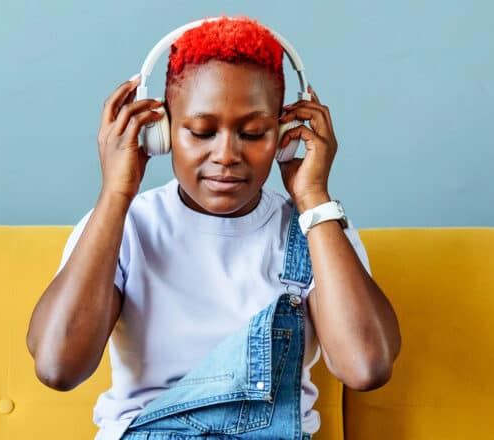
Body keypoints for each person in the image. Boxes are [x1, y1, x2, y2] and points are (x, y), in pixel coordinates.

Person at [26, 15, 401, 440]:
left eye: (254, 132)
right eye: (201, 132)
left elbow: (366, 366)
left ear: (285, 135)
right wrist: (116, 193)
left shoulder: (317, 230)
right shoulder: (126, 227)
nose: (226, 154)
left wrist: (313, 196)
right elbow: (58, 366)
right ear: (160, 133)